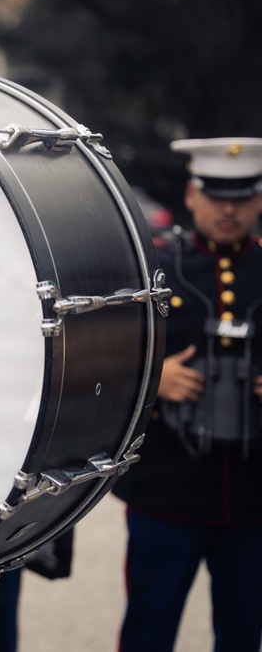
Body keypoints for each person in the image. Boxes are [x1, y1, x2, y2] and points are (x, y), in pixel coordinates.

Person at [113, 137, 262, 652]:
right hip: (166, 493)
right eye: (216, 194)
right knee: (148, 630)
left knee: (243, 634)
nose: (228, 208)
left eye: (241, 197)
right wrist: (153, 384)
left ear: (259, 200)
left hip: (253, 501)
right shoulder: (154, 272)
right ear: (192, 195)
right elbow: (101, 368)